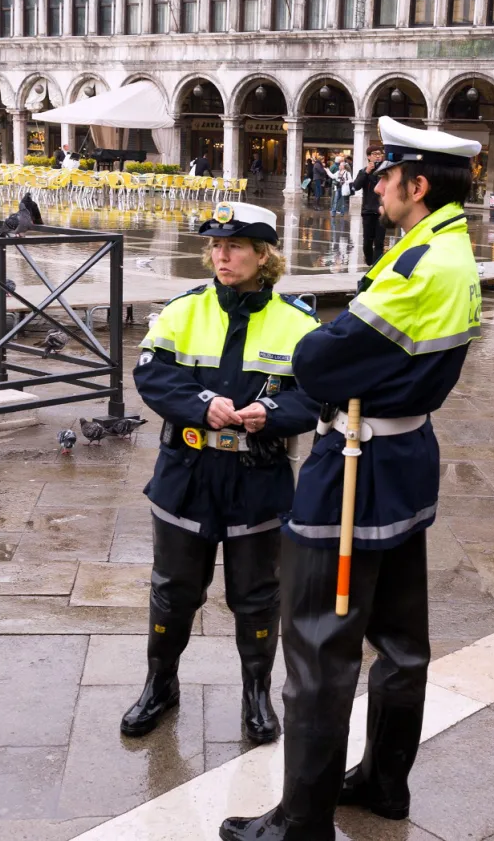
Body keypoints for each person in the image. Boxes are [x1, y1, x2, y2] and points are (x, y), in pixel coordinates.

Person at [220, 115, 483, 841]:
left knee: (317, 646)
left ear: (416, 183)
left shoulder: (418, 264)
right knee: (400, 639)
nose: (375, 186)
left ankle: (301, 821)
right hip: (405, 462)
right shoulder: (453, 248)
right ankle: (383, 782)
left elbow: (318, 363)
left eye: (386, 175)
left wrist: (324, 342)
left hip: (356, 471)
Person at [122, 201, 321, 746]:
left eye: (233, 246)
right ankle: (160, 685)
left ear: (263, 255)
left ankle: (256, 694)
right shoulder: (184, 309)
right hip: (187, 473)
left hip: (258, 479)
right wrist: (201, 403)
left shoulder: (299, 324)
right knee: (173, 591)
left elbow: (317, 395)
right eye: (215, 245)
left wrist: (274, 414)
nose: (221, 255)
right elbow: (152, 375)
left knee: (258, 595)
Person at [353, 145, 387, 265]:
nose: (378, 156)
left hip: (382, 211)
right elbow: (356, 186)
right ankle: (369, 261)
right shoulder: (363, 172)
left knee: (379, 242)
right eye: (375, 154)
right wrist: (366, 172)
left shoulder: (386, 172)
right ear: (369, 157)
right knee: (367, 241)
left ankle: (375, 266)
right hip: (368, 211)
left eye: (380, 154)